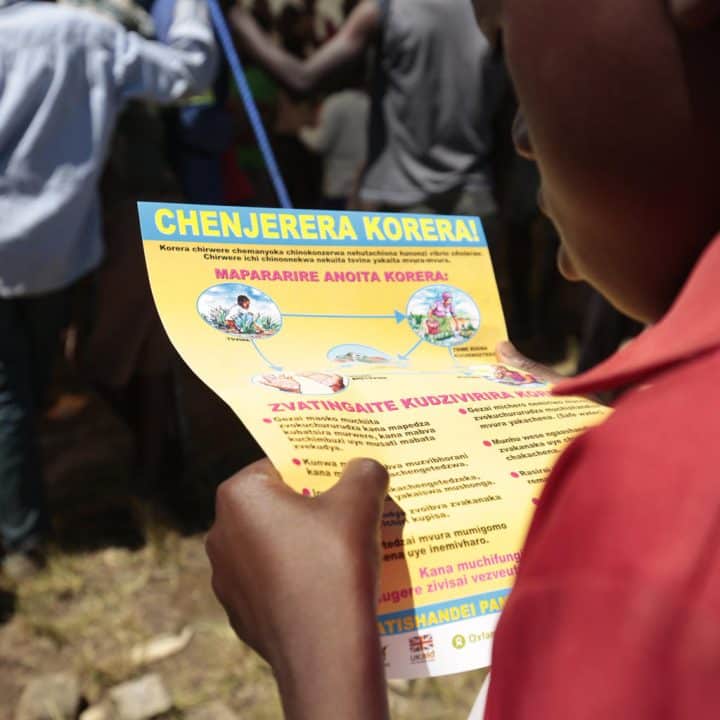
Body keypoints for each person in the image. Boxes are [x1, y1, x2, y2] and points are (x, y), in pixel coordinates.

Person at [206, 0, 720, 718]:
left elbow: (302, 75)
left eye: (505, 35)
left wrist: (320, 650)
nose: (519, 132)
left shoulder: (657, 521)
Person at [0, 0, 217, 580]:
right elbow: (186, 75)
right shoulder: (87, 34)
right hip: (70, 242)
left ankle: (32, 531)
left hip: (64, 242)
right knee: (48, 379)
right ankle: (41, 525)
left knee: (21, 391)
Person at [229, 0, 504, 227]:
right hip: (476, 200)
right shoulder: (492, 11)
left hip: (403, 208)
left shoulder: (387, 9)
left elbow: (302, 78)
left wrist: (235, 15)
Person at [298, 70, 369, 210]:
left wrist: (301, 130)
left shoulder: (334, 103)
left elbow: (319, 143)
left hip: (338, 188)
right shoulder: (369, 102)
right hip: (363, 187)